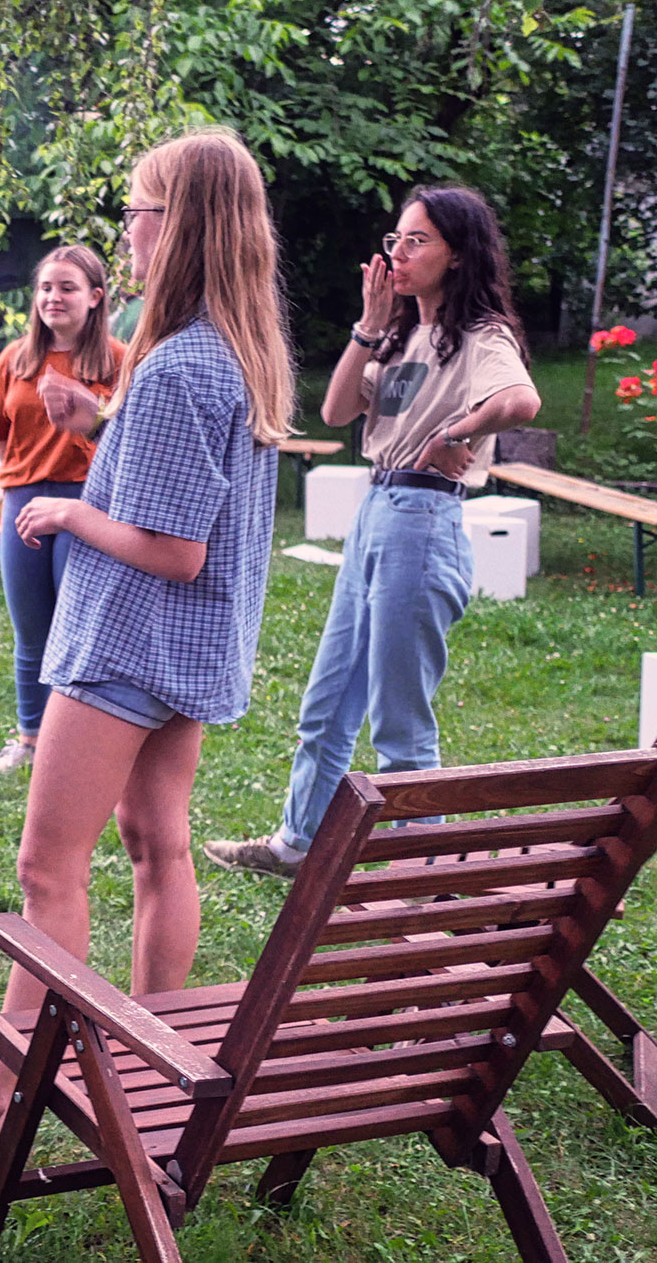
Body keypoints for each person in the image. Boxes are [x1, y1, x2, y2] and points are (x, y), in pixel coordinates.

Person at [0, 127, 293, 1175]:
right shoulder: (232, 355)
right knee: (159, 846)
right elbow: (185, 503)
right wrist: (99, 432)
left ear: (179, 225)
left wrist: (66, 517)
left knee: (45, 867)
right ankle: (157, 1061)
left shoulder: (173, 366)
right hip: (189, 656)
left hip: (123, 648)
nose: (129, 231)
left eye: (136, 211)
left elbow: (173, 546)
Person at [203, 185, 540, 879]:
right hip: (376, 513)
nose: (399, 253)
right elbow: (332, 410)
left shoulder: (481, 335)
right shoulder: (400, 334)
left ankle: (419, 875)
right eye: (396, 240)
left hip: (424, 520)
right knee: (328, 701)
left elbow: (521, 398)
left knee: (398, 718)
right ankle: (298, 844)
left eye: (417, 241)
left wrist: (460, 426)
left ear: (456, 255)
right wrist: (366, 324)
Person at [0, 245, 126, 775]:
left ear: (95, 297)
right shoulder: (15, 360)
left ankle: (79, 743)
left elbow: (128, 440)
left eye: (67, 287)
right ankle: (30, 738)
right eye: (45, 287)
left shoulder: (118, 358)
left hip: (88, 505)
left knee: (81, 629)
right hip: (23, 503)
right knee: (32, 629)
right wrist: (24, 481)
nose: (53, 297)